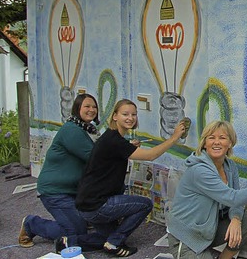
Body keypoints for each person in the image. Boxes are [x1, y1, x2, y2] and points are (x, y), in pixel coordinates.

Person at [75, 98, 186, 257]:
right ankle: (114, 244)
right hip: (97, 205)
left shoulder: (112, 138)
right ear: (115, 116)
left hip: (85, 203)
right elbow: (151, 155)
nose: (130, 118)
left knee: (104, 237)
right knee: (145, 204)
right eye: (125, 114)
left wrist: (129, 147)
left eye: (133, 114)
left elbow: (116, 153)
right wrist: (174, 138)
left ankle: (68, 241)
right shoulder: (115, 142)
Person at [167, 120, 247, 259]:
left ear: (230, 143)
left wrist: (236, 219)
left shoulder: (229, 165)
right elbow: (233, 197)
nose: (216, 142)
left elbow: (237, 203)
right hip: (188, 236)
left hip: (209, 229)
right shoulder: (199, 170)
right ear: (204, 143)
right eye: (211, 138)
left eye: (222, 138)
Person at [19, 93, 107, 252]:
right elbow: (94, 157)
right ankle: (31, 224)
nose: (92, 110)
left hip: (74, 191)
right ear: (77, 108)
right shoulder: (71, 130)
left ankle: (78, 217)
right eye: (87, 106)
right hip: (56, 191)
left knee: (85, 226)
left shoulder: (89, 130)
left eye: (94, 107)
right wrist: (123, 151)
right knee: (76, 233)